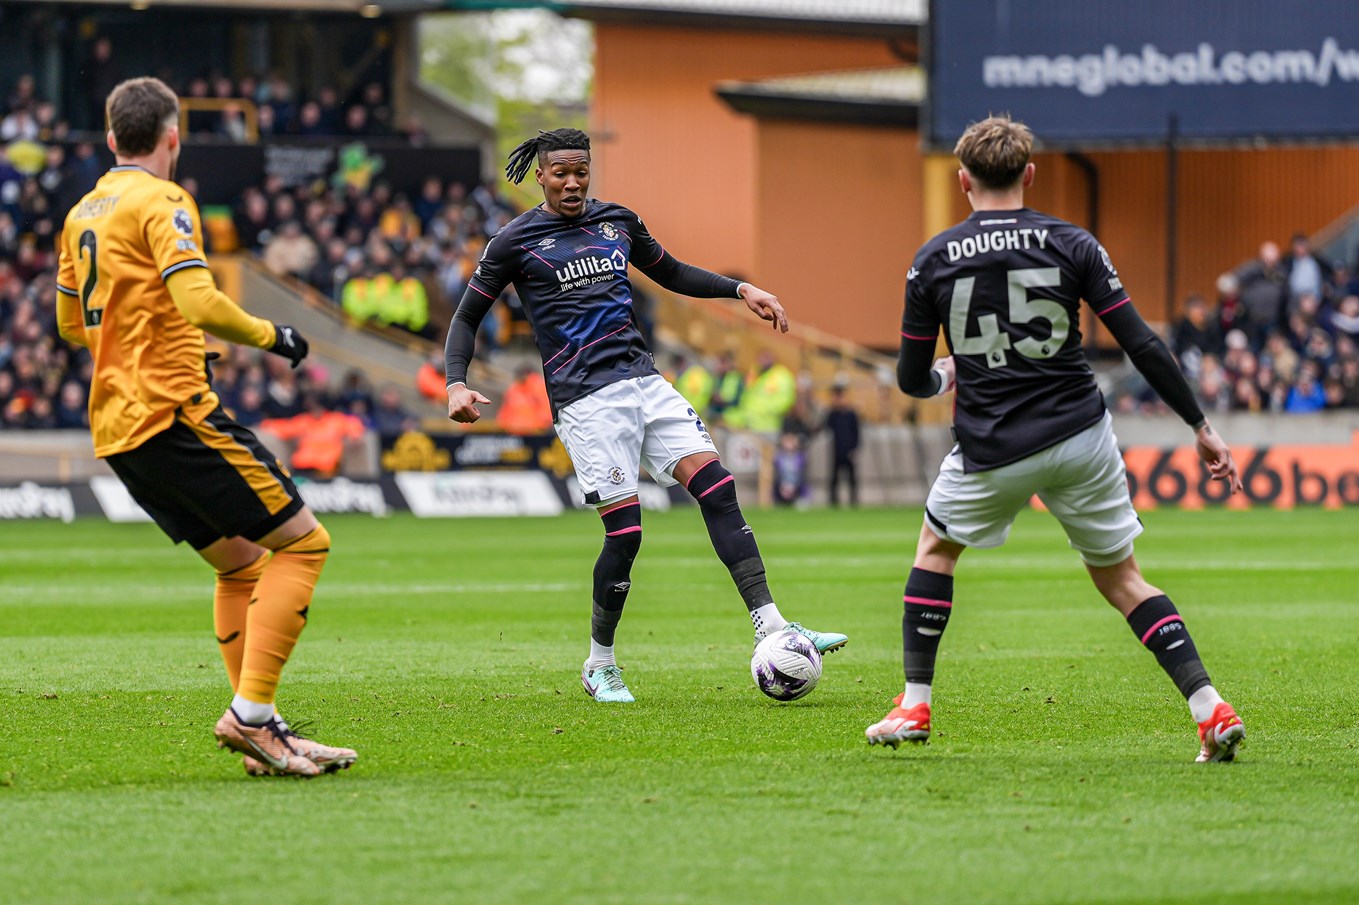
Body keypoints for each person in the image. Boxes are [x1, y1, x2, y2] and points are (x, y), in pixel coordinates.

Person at [864, 115, 1246, 764]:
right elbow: (1140, 344)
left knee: (935, 550)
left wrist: (941, 375)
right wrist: (1199, 426)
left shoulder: (930, 259)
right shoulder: (1072, 242)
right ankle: (1209, 707)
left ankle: (914, 703)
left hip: (992, 445)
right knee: (1122, 577)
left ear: (962, 181)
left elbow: (908, 378)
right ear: (1029, 173)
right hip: (1079, 434)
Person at [444, 128, 847, 703]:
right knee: (627, 535)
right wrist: (456, 383)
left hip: (645, 382)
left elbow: (674, 273)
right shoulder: (515, 240)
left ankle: (775, 627)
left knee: (719, 489)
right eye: (560, 172)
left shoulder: (618, 222)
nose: (573, 182)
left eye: (581, 170)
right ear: (541, 175)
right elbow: (465, 318)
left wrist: (741, 289)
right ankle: (599, 663)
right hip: (585, 398)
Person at [55, 77, 354, 777]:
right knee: (306, 544)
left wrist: (139, 327)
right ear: (172, 136)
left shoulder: (81, 213)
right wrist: (274, 335)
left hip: (117, 424)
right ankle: (249, 717)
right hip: (173, 408)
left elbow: (72, 325)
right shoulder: (163, 198)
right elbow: (200, 299)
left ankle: (263, 723)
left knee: (240, 561)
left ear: (109, 138)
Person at [824, 384, 861, 507]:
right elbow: (825, 427)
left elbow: (857, 433)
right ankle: (834, 502)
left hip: (849, 450)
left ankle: (853, 501)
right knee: (834, 478)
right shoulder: (833, 414)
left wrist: (856, 449)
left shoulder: (851, 415)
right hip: (837, 450)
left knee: (852, 478)